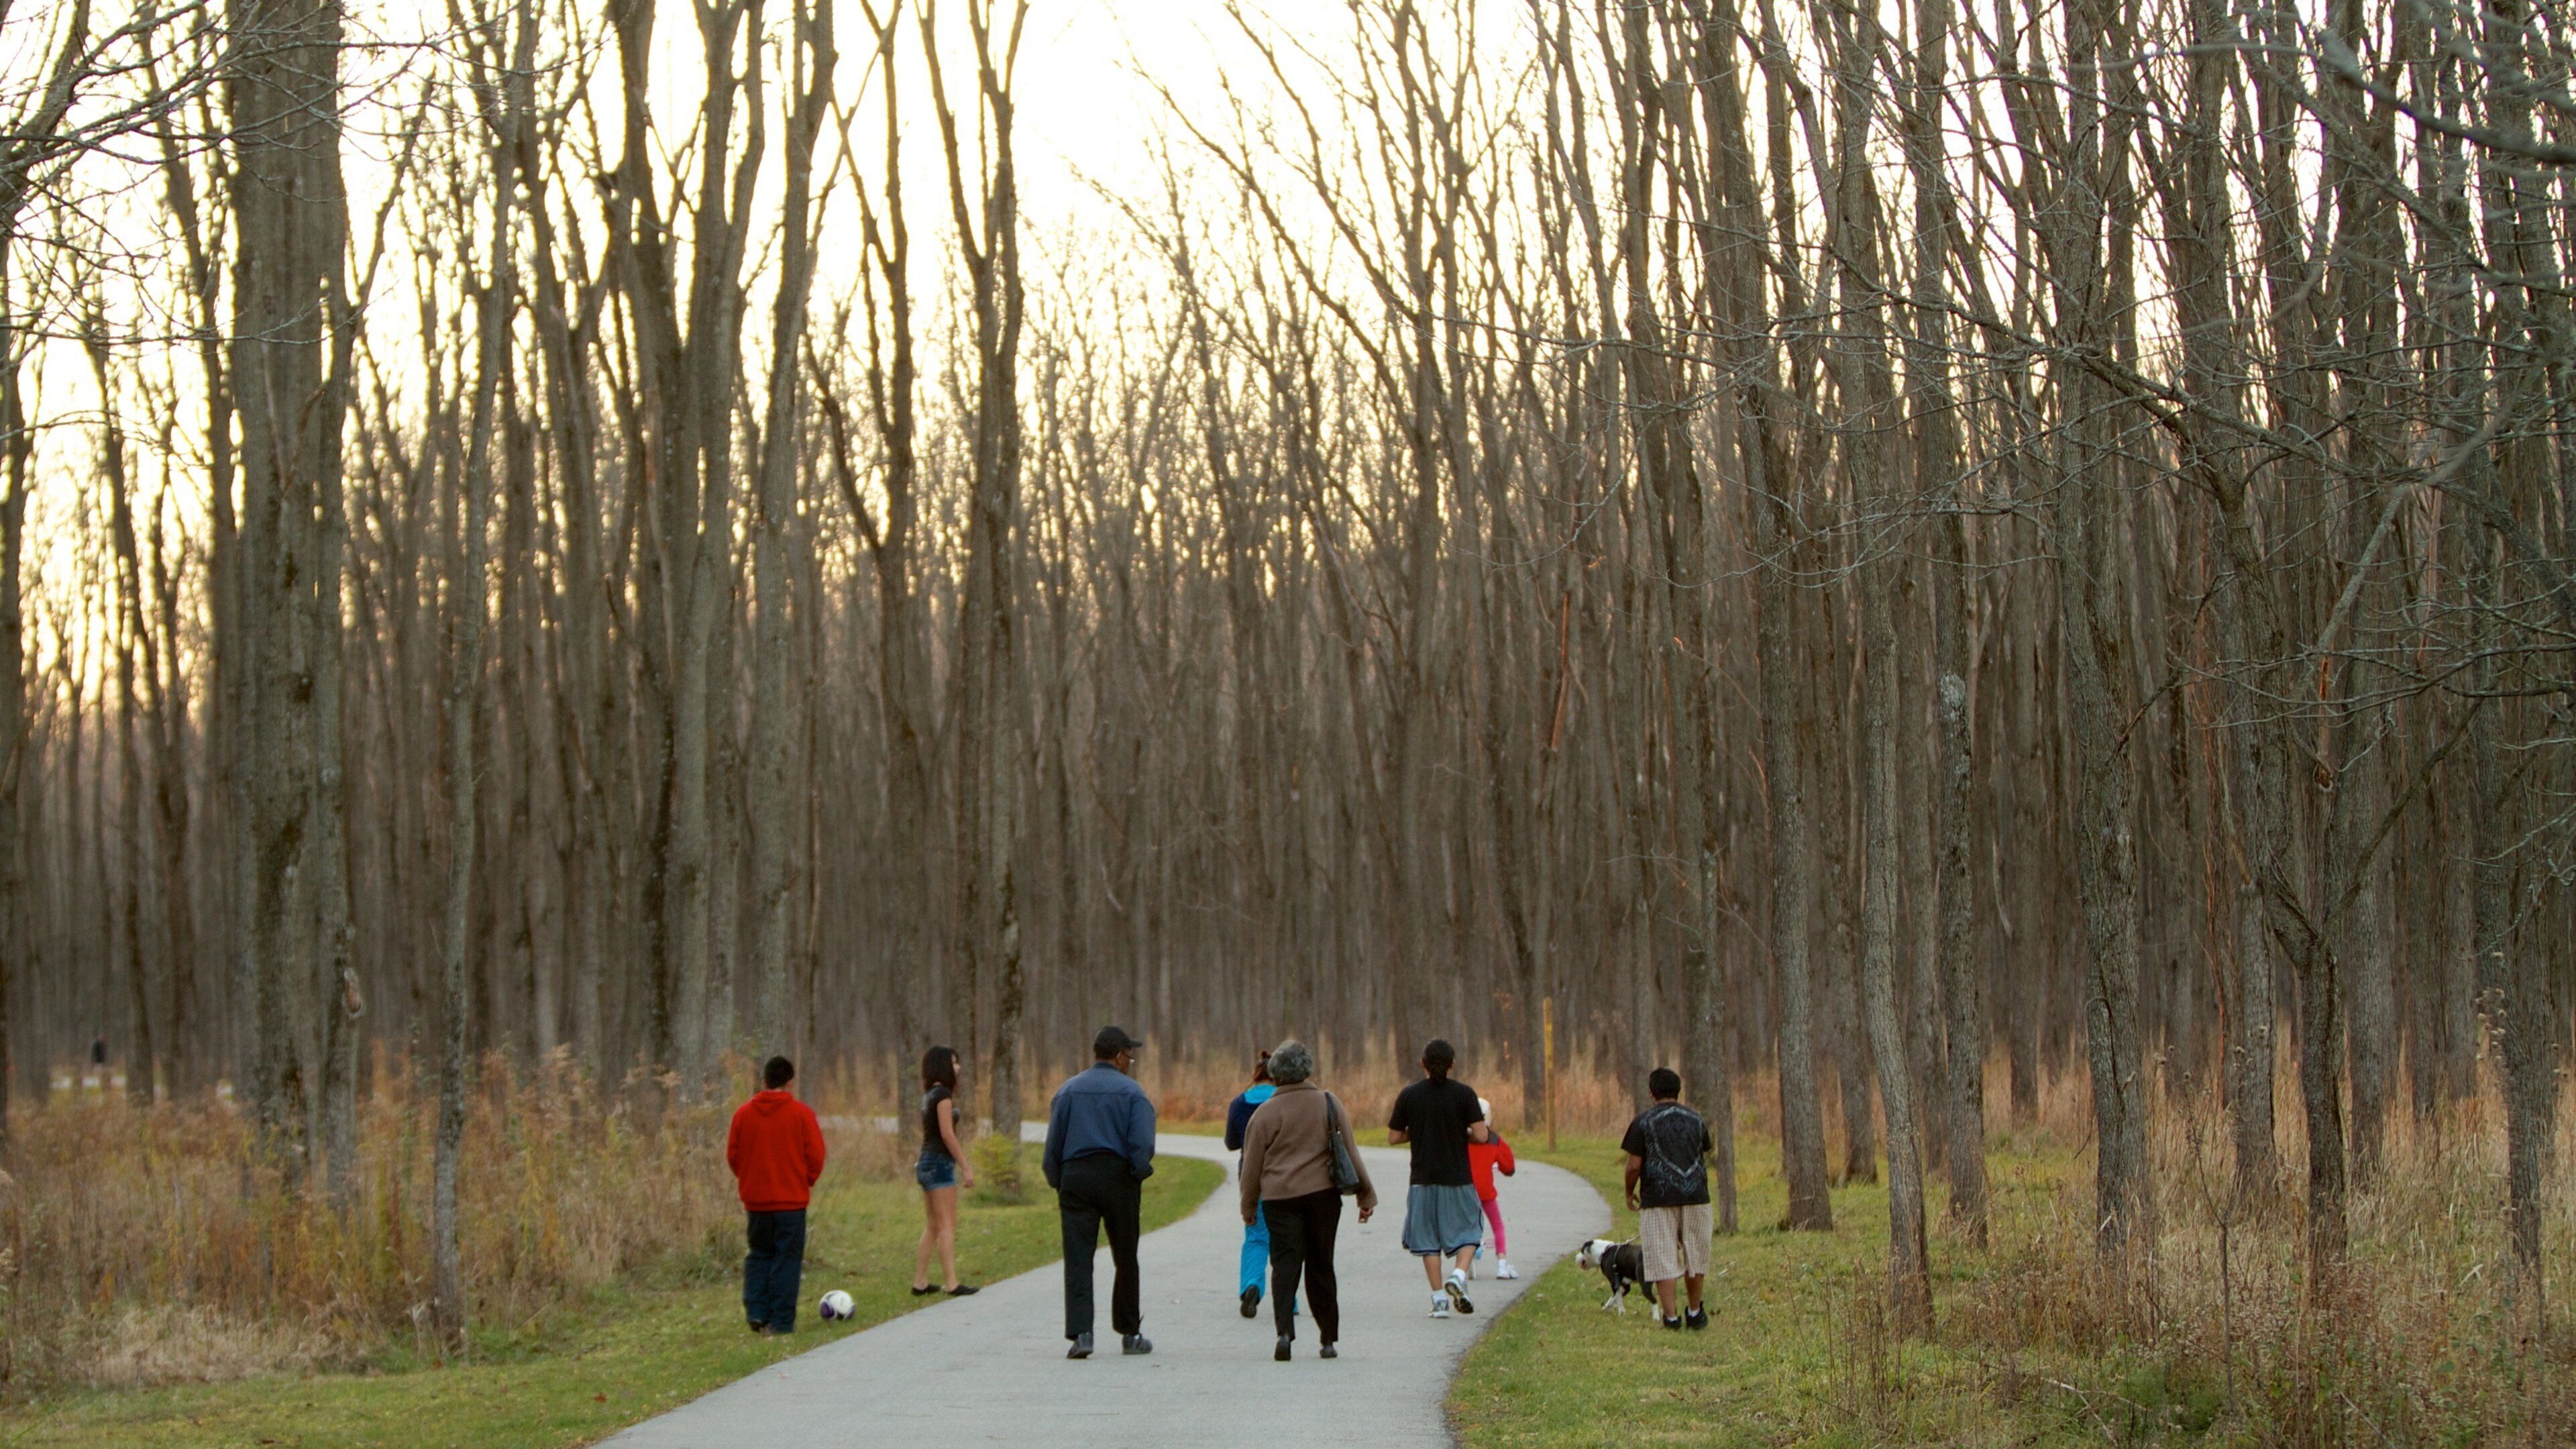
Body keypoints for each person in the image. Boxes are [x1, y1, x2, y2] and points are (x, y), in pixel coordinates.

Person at [1238, 1038, 1376, 1362]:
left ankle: (1284, 1335)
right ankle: (1327, 1339)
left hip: (1279, 1200)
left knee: (1284, 1266)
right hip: (1323, 1197)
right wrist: (1365, 1195)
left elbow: (1251, 1167)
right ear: (1307, 1069)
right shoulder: (1328, 1102)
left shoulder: (1265, 1114)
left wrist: (1248, 1208)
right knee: (1321, 1264)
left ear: (1275, 1074)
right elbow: (1350, 1150)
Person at [1042, 1025, 1157, 1359]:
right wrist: (1137, 1174)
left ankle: (1082, 1334)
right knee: (1126, 1256)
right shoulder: (1134, 1094)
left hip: (1076, 1176)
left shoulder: (1067, 1091)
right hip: (1118, 1176)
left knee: (1078, 1258)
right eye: (1130, 1058)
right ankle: (1130, 1333)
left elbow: (1053, 1148)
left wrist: (1059, 1181)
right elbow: (1142, 1144)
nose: (1130, 1064)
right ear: (1119, 1057)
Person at [1387, 1037, 1491, 1319]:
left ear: (1422, 1063)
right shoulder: (1465, 1094)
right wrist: (1462, 1133)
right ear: (1452, 1064)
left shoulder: (1409, 1095)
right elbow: (1482, 1135)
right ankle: (1459, 1275)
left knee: (1428, 1241)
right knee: (1470, 1232)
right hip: (1458, 1178)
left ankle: (1439, 1301)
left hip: (1422, 1180)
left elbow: (1394, 1137)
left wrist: (1418, 1132)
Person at [725, 1055, 827, 1335]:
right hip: (791, 1201)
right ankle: (781, 1321)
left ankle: (757, 1311)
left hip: (757, 1202)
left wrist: (749, 1179)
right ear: (790, 1082)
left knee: (759, 1254)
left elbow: (733, 1155)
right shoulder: (801, 1114)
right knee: (787, 1259)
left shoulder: (743, 1114)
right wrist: (806, 1180)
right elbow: (816, 1155)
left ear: (764, 1080)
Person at [1621, 1066, 1715, 1331]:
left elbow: (1633, 1166)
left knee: (1663, 1257)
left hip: (1658, 1198)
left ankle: (1671, 1318)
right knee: (1695, 1255)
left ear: (1652, 1093)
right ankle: (1695, 1312)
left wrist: (1629, 1192)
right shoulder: (1697, 1120)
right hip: (1696, 1196)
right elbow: (1702, 1153)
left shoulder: (1642, 1122)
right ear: (1678, 1090)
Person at [1222, 1049, 1293, 1320]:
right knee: (1286, 1240)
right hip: (1284, 1178)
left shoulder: (1239, 1103)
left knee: (1255, 1236)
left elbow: (1231, 1143)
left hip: (1252, 1178)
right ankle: (1289, 1300)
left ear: (1256, 1074)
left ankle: (1251, 1285)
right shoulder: (1285, 1101)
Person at [910, 1045, 979, 1298]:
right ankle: (951, 1283)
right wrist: (966, 1166)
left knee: (933, 1225)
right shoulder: (943, 1095)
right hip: (940, 1163)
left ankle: (920, 1282)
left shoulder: (929, 1095)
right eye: (954, 1062)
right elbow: (947, 1134)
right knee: (948, 1225)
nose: (958, 1067)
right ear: (943, 1066)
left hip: (925, 1161)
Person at [1466, 1096, 1517, 1279]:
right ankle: (1502, 1265)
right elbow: (1508, 1167)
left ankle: (1466, 1255)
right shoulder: (1494, 1140)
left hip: (1464, 1190)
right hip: (1485, 1190)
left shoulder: (1460, 1138)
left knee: (1464, 1224)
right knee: (1497, 1226)